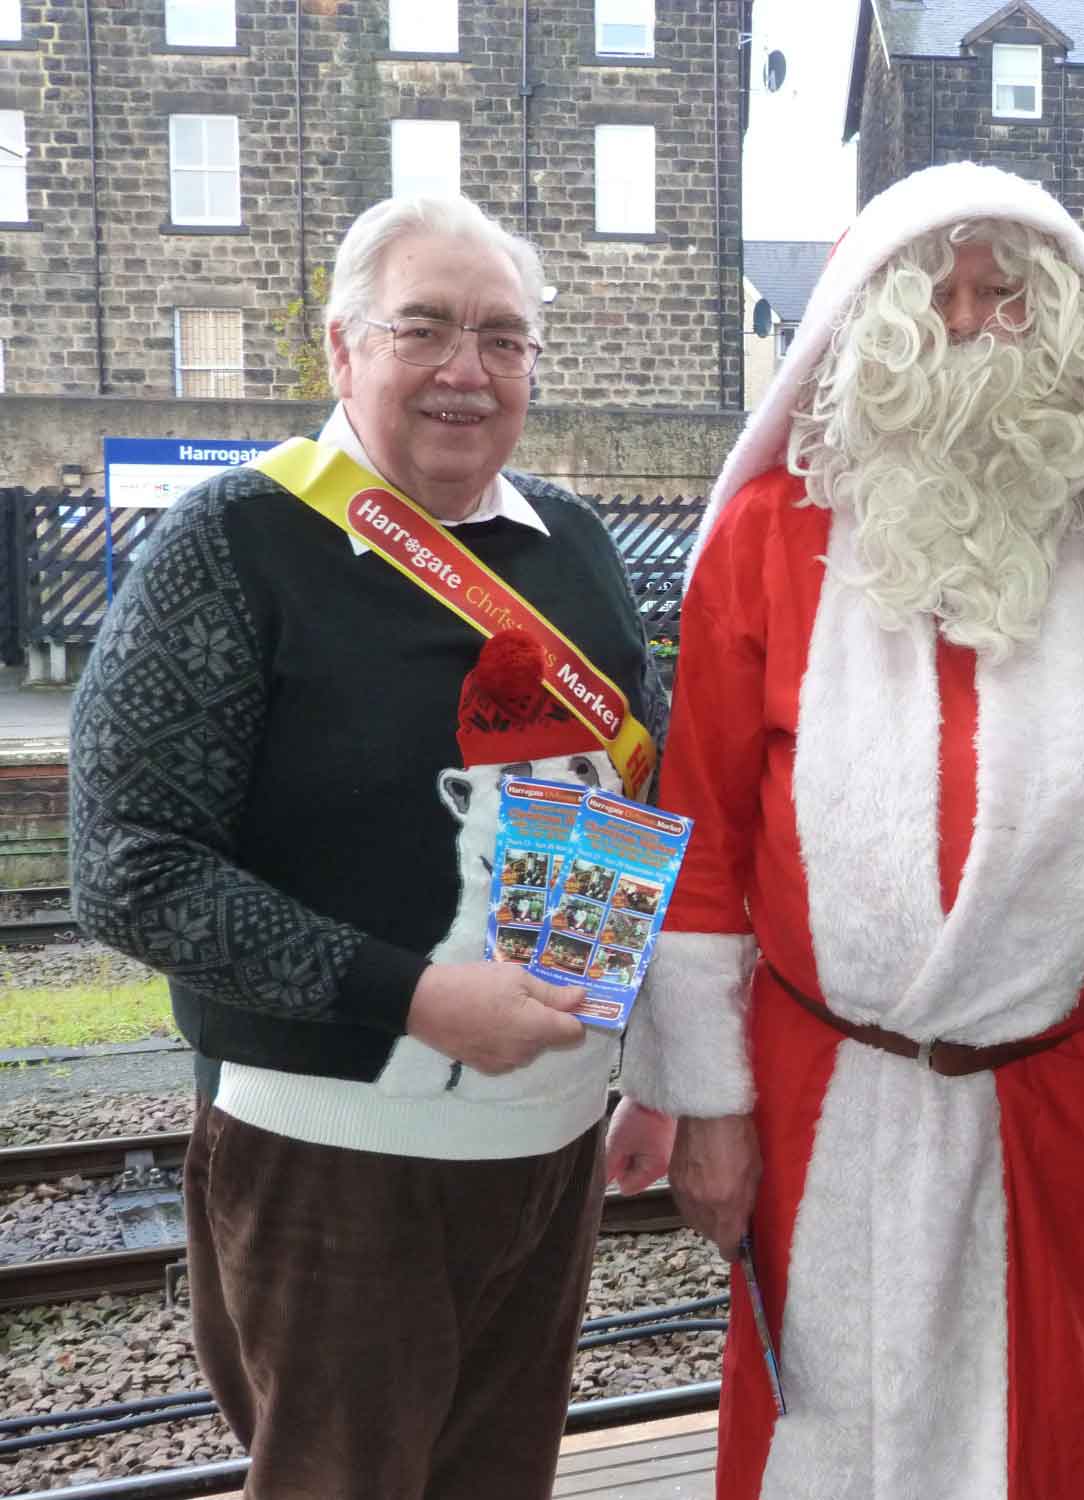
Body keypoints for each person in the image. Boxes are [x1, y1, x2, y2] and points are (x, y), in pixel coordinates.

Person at [604, 160, 1084, 1500]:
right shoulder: (763, 538)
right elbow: (702, 837)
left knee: (1059, 1440)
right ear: (872, 328)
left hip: (1064, 1104)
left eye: (1008, 295)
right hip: (819, 1092)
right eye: (942, 296)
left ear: (1075, 324)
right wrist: (708, 1103)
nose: (973, 324)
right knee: (828, 1441)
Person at [69, 194, 666, 1498]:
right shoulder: (235, 541)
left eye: (504, 338)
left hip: (549, 1146)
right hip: (334, 1156)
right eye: (426, 328)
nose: (468, 369)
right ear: (343, 350)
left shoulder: (575, 546)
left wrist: (658, 1064)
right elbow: (127, 863)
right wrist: (415, 998)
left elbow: (641, 806)